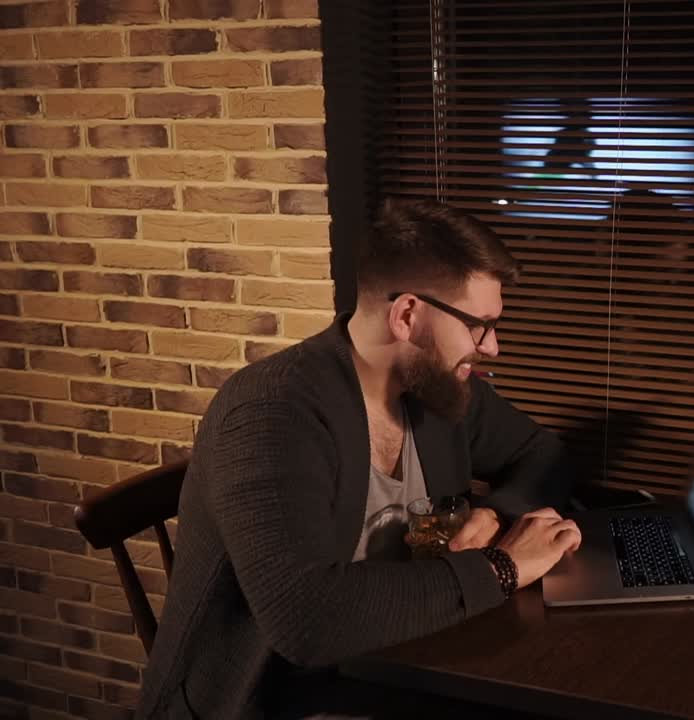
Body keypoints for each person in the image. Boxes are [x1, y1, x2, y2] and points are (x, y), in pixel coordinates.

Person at [136, 200, 584, 719]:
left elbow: (543, 454)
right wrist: (502, 568)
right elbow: (305, 621)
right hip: (263, 699)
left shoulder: (437, 391)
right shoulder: (271, 414)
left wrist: (494, 514)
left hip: (395, 662)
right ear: (408, 315)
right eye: (479, 325)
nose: (492, 347)